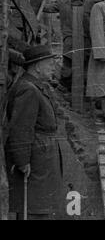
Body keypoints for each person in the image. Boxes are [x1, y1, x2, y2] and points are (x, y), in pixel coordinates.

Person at [5, 45, 62, 220]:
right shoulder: (28, 89)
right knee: (32, 207)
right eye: (50, 63)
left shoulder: (34, 86)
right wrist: (22, 161)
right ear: (37, 66)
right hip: (35, 159)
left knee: (40, 206)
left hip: (41, 155)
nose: (54, 67)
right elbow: (21, 128)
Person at [43, 0, 76, 90]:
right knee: (67, 58)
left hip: (80, 34)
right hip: (67, 33)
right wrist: (39, 4)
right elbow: (50, 8)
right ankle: (66, 84)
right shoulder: (62, 0)